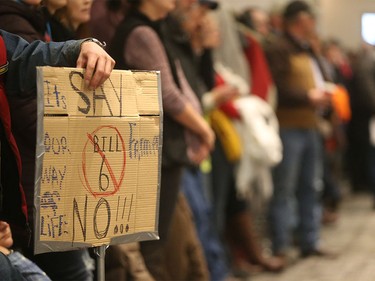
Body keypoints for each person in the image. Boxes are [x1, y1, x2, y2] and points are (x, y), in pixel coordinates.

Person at [109, 0, 215, 279]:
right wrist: (204, 130)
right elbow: (167, 95)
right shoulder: (141, 32)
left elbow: (180, 86)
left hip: (163, 149)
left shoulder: (154, 29)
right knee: (153, 246)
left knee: (162, 242)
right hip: (155, 151)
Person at [1, 28, 114, 280]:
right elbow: (30, 118)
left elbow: (22, 56)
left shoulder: (14, 38)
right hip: (41, 197)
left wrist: (85, 45)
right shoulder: (16, 19)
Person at [264, 0, 332, 260]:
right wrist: (308, 96)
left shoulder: (306, 47)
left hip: (310, 125)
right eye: (310, 19)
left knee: (310, 186)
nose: (313, 24)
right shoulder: (278, 47)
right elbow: (277, 88)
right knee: (284, 188)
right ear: (299, 20)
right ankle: (281, 244)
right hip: (288, 126)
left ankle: (309, 240)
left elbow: (320, 76)